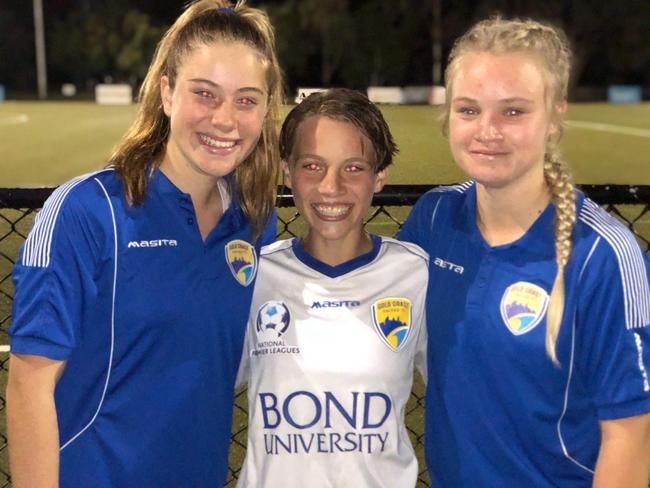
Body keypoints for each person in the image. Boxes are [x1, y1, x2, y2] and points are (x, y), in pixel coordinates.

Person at [7, 1, 283, 486]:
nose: (225, 119)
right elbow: (30, 384)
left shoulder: (256, 222)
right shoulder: (86, 211)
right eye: (205, 94)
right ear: (167, 92)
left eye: (246, 100)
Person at [399, 16, 650, 487]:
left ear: (556, 114)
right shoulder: (433, 220)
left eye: (513, 112)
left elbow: (632, 436)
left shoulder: (602, 256)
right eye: (469, 110)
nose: (487, 130)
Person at [235, 88, 428, 487]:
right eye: (312, 166)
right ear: (287, 172)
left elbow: (471, 384)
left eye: (353, 168)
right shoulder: (253, 278)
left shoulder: (415, 274)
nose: (331, 187)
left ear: (380, 176)